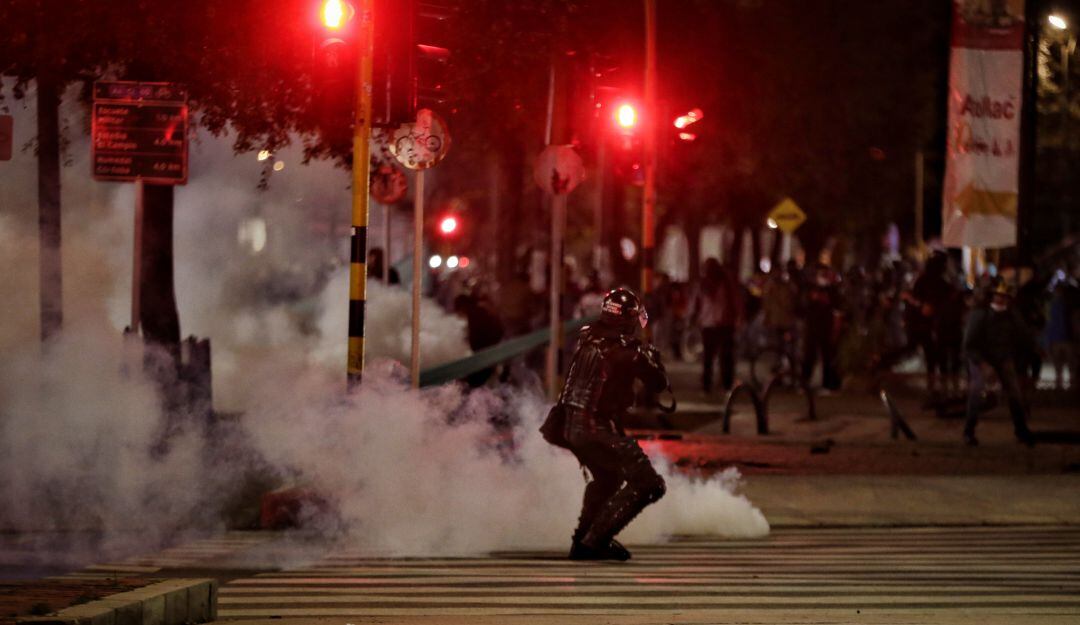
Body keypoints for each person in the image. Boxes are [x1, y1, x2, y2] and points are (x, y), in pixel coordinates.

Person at [539, 288, 671, 561]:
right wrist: (653, 359)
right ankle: (595, 540)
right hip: (594, 429)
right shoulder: (627, 351)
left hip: (569, 427)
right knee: (650, 485)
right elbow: (658, 383)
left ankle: (582, 541)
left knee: (608, 479)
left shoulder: (588, 338)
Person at [962, 280, 1037, 447]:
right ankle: (968, 431)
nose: (1001, 299)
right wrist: (982, 364)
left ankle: (1021, 430)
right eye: (998, 296)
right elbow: (969, 345)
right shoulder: (980, 314)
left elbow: (1023, 338)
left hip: (1003, 358)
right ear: (992, 296)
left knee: (1015, 393)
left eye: (1005, 297)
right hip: (981, 358)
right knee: (976, 391)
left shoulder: (1012, 315)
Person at [691, 258, 742, 394]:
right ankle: (708, 385)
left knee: (725, 356)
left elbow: (735, 301)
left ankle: (725, 384)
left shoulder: (726, 283)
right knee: (710, 357)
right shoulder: (703, 284)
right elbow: (696, 303)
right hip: (710, 324)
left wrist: (737, 317)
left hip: (723, 323)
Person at [453, 292, 505, 388]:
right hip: (491, 348)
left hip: (486, 352)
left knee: (475, 380)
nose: (459, 313)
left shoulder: (474, 313)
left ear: (463, 306)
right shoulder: (478, 309)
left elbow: (477, 337)